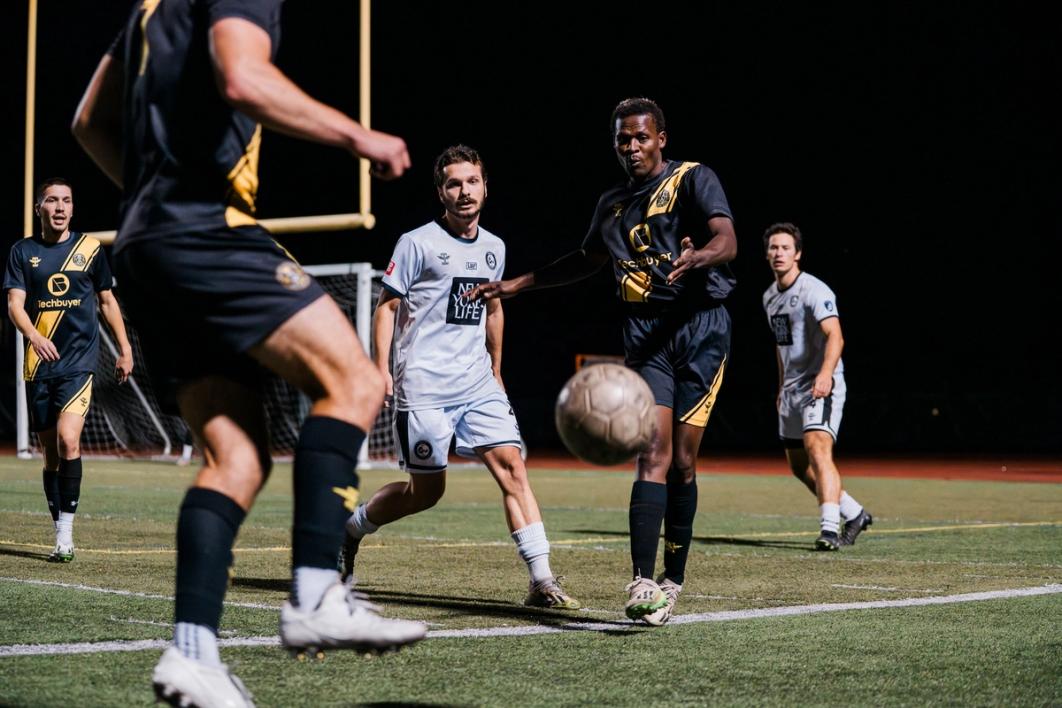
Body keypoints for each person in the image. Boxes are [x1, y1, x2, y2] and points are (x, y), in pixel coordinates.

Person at [72, 2, 424, 705]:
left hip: (146, 241)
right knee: (355, 379)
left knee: (236, 460)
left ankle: (192, 653)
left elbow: (87, 121)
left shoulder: (149, 11)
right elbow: (243, 78)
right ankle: (317, 592)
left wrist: (148, 200)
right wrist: (360, 137)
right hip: (202, 227)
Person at [469, 98, 736, 626]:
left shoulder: (692, 178)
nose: (631, 147)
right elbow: (587, 260)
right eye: (622, 139)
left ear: (661, 138)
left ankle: (672, 579)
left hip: (701, 331)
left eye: (640, 137)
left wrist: (699, 255)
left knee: (684, 463)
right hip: (646, 341)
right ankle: (641, 581)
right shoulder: (611, 203)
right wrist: (518, 284)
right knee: (652, 453)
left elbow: (726, 238)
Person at [341, 145, 579, 611]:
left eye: (472, 182)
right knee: (425, 494)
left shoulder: (495, 248)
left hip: (477, 385)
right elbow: (386, 307)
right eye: (454, 183)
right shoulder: (417, 243)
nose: (464, 191)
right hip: (424, 388)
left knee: (513, 468)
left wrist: (496, 369)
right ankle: (350, 530)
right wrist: (380, 369)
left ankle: (542, 580)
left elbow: (494, 310)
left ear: (485, 187)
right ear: (441, 193)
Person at [4, 178, 134, 563]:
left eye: (67, 201)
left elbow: (107, 301)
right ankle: (57, 527)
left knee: (68, 440)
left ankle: (66, 535)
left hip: (79, 364)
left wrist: (125, 349)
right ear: (38, 208)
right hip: (39, 366)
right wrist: (33, 336)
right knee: (50, 456)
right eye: (52, 201)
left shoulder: (89, 249)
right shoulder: (22, 251)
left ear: (73, 208)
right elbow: (14, 304)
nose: (60, 207)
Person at [762, 222, 872, 550]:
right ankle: (854, 513)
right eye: (773, 248)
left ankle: (828, 530)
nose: (778, 253)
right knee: (798, 466)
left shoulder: (814, 290)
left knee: (817, 449)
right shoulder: (769, 297)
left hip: (820, 383)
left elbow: (835, 335)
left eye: (785, 248)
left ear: (797, 254)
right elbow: (781, 345)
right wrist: (781, 387)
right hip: (792, 390)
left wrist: (826, 374)